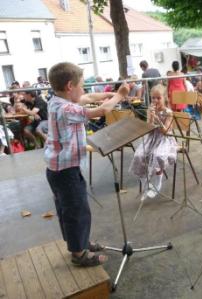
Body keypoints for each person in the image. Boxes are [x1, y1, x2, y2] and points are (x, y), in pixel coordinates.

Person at [45, 62, 129, 267]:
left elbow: (89, 98)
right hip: (66, 171)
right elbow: (99, 112)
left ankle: (79, 243)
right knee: (77, 211)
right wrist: (120, 95)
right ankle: (79, 254)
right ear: (69, 86)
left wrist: (108, 94)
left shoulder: (56, 100)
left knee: (68, 209)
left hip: (57, 169)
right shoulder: (66, 108)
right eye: (82, 85)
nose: (84, 89)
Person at [129, 84, 177, 199]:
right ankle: (146, 185)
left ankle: (158, 182)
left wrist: (157, 119)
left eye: (158, 98)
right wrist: (150, 117)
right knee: (139, 155)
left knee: (158, 155)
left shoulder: (168, 112)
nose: (155, 100)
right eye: (153, 98)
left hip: (164, 139)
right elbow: (148, 128)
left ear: (164, 98)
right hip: (151, 138)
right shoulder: (150, 110)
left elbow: (166, 131)